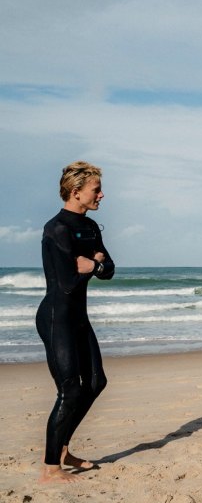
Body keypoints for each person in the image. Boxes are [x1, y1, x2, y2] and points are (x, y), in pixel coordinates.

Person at [36, 161, 115, 483]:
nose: (101, 195)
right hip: (56, 317)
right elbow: (67, 280)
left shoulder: (91, 227)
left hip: (78, 317)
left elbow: (108, 269)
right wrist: (88, 264)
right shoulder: (56, 228)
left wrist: (93, 265)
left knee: (95, 384)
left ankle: (64, 448)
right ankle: (50, 468)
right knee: (70, 390)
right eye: (96, 190)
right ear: (76, 191)